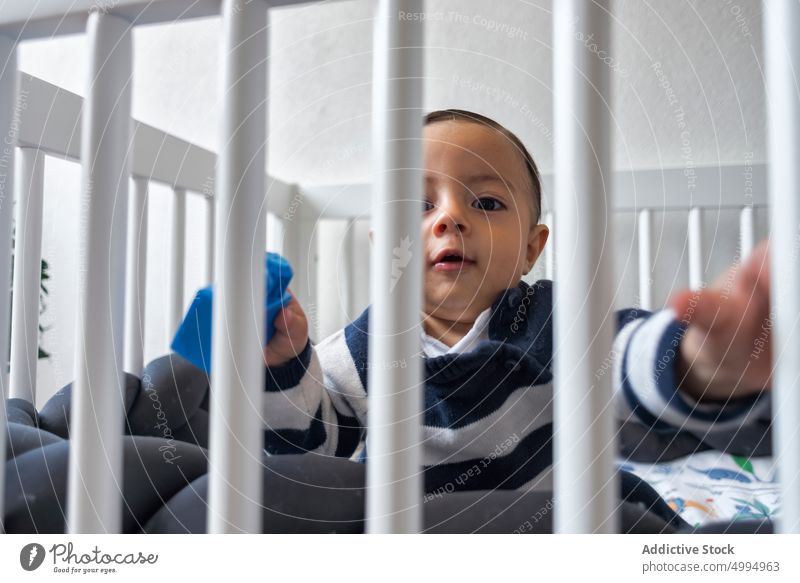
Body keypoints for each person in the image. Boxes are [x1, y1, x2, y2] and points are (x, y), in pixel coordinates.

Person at [260, 108, 772, 505]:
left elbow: (624, 359)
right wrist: (284, 366)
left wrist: (698, 361)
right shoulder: (357, 354)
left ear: (531, 248)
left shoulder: (555, 323)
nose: (450, 218)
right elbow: (310, 448)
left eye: (486, 203)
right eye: (419, 205)